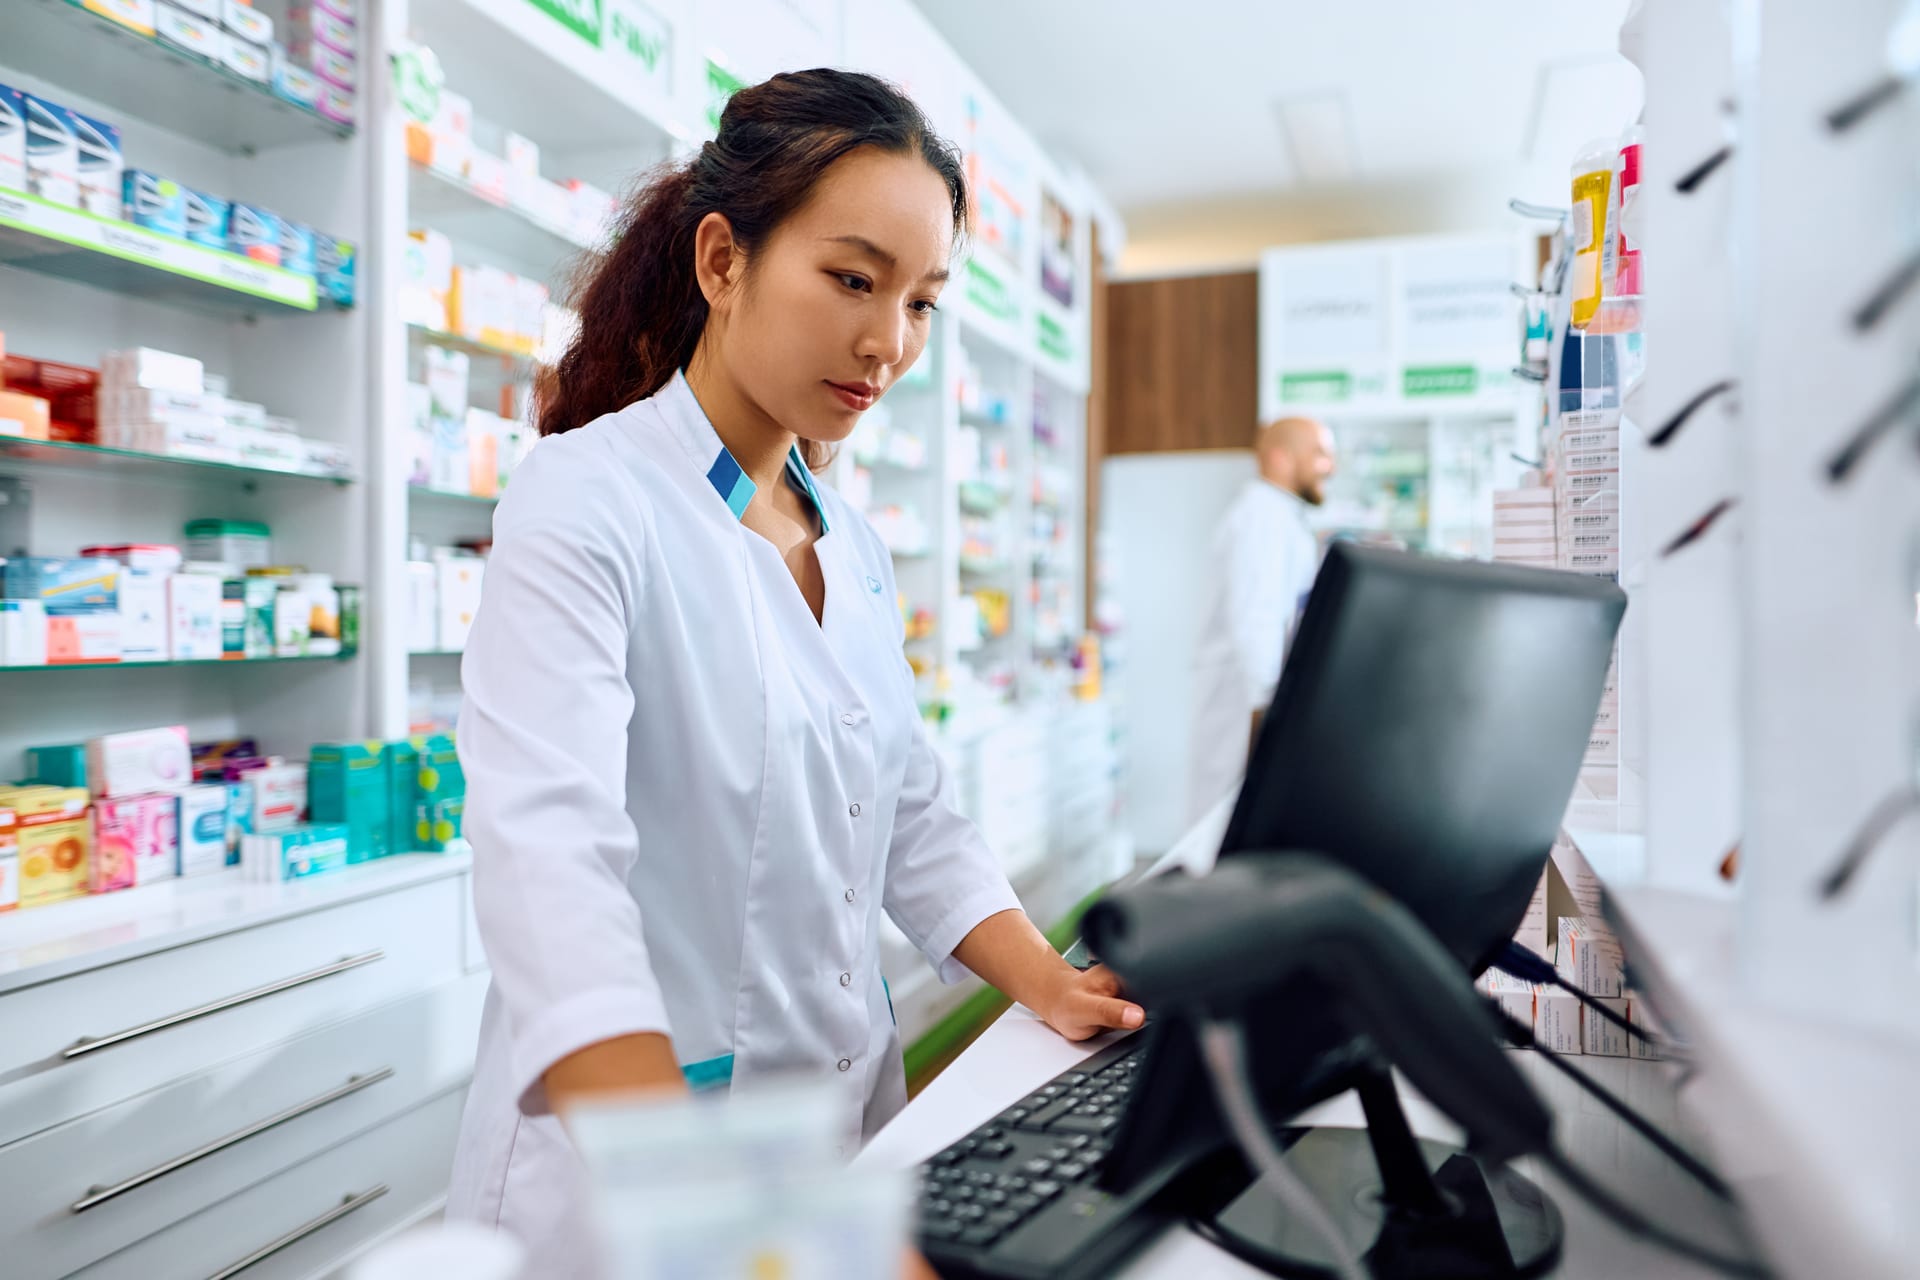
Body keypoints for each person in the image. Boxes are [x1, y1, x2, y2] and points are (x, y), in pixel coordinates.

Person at [444, 69, 1144, 1277]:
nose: (889, 341)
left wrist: (1050, 979)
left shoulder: (852, 541)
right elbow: (547, 858)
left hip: (837, 1138)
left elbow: (910, 807)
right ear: (724, 261)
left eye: (922, 301)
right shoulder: (586, 496)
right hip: (639, 1176)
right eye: (853, 278)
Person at [1186, 416, 1337, 823]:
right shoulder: (1261, 518)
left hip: (1251, 701)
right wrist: (1271, 708)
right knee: (1221, 828)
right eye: (1320, 453)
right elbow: (1256, 620)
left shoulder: (1280, 517)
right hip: (1243, 705)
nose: (1331, 467)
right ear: (1280, 458)